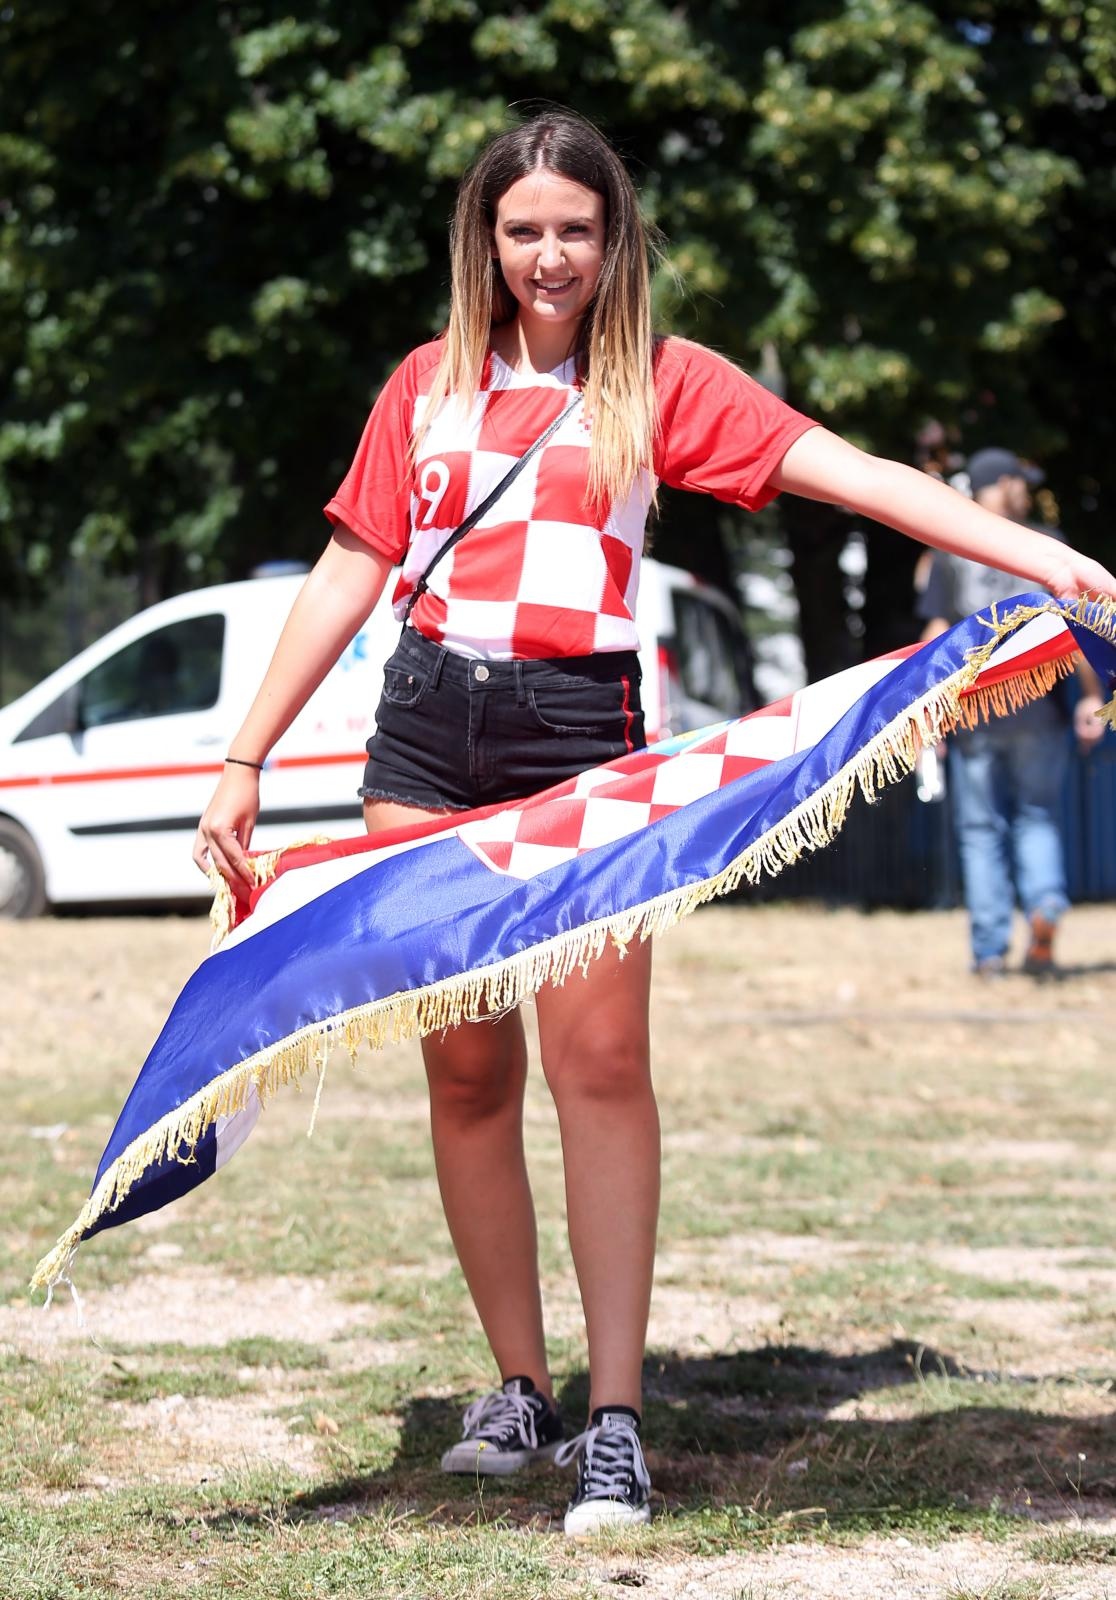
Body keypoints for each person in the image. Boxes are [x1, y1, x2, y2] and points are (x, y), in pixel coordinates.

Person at [194, 111, 1116, 1535]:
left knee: (603, 1062)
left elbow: (858, 475)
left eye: (576, 228)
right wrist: (243, 757)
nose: (549, 256)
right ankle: (518, 1386)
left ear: (613, 239)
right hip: (427, 735)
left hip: (584, 739)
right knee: (464, 1072)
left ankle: (616, 1417)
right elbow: (347, 571)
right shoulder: (424, 388)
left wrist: (1046, 553)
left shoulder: (662, 384)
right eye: (523, 231)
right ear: (483, 242)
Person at [917, 447, 1105, 976]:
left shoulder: (951, 549)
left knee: (981, 830)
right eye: (1019, 481)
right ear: (997, 484)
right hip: (1037, 710)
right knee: (1037, 818)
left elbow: (936, 633)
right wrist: (1090, 697)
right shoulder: (1048, 546)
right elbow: (1077, 629)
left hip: (976, 711)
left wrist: (924, 710)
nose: (1025, 489)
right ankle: (1043, 912)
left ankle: (989, 953)